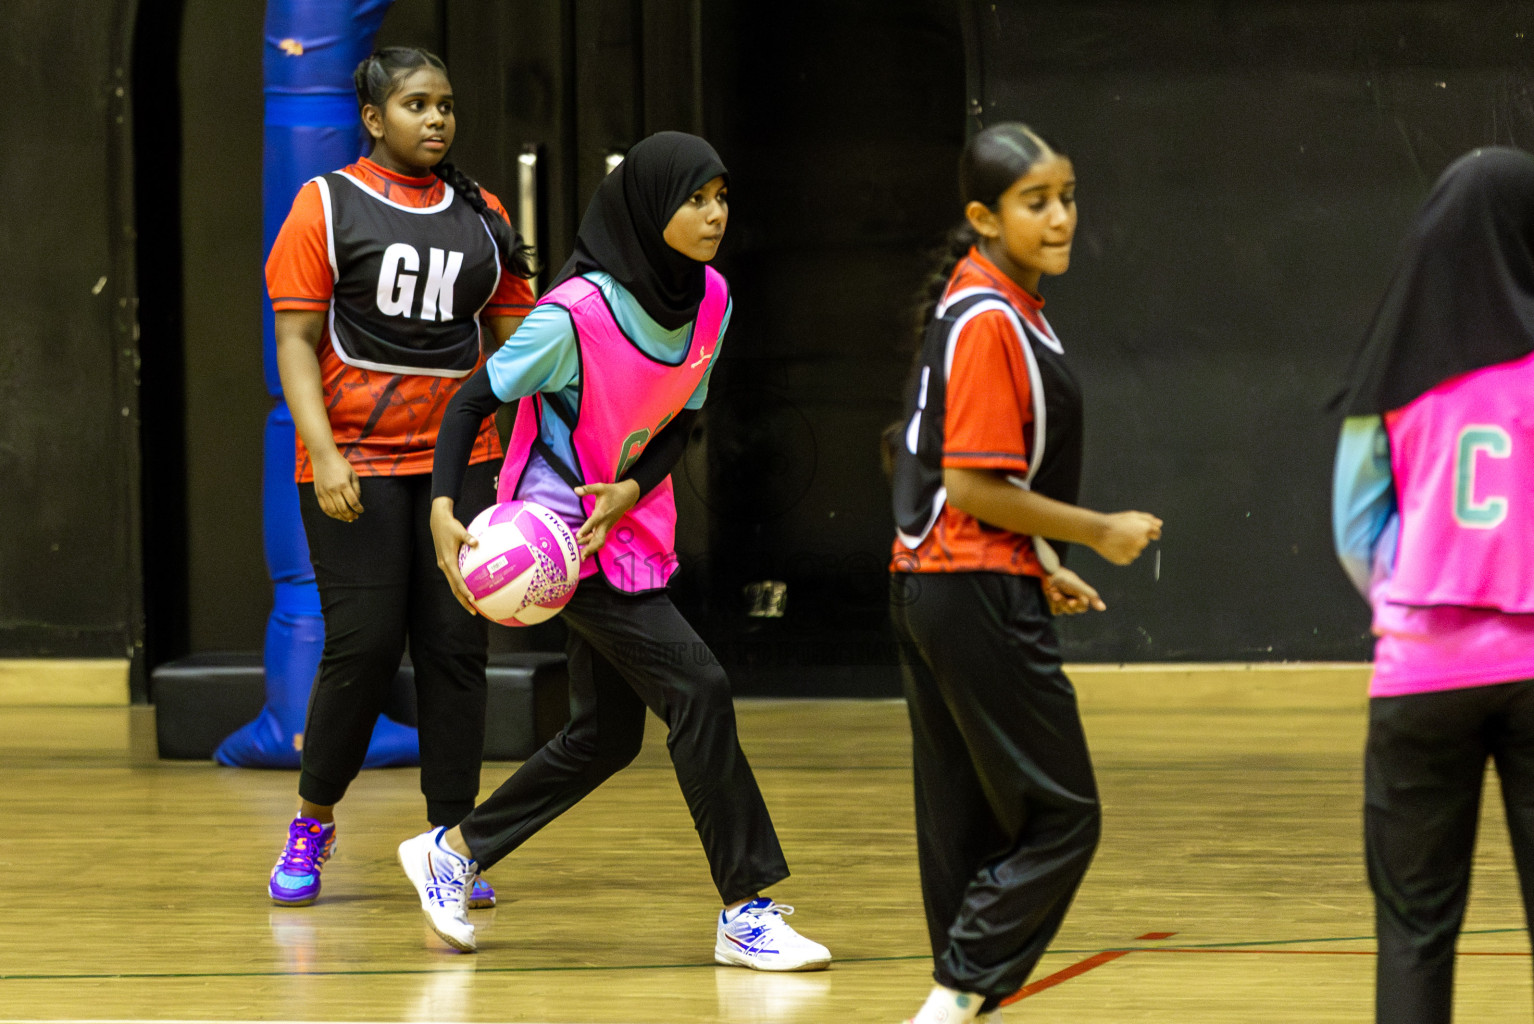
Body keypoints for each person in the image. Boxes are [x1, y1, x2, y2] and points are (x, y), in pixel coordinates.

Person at [400, 130, 831, 970]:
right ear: (647, 208)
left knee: (604, 736)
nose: (715, 215)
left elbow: (680, 421)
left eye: (721, 197)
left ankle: (453, 852)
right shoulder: (573, 317)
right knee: (700, 687)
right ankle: (746, 910)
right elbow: (470, 402)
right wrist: (445, 509)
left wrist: (632, 488)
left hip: (627, 524)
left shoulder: (711, 299)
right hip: (556, 533)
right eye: (695, 200)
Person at [887, 123, 1162, 1024]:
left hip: (937, 584)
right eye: (1035, 202)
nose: (1060, 218)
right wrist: (1099, 532)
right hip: (969, 589)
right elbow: (972, 483)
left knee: (964, 825)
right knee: (1062, 816)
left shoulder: (985, 300)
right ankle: (954, 995)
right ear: (982, 217)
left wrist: (1040, 561)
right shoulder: (990, 319)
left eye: (1067, 197)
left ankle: (958, 1000)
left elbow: (943, 476)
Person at [262, 46, 536, 909]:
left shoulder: (483, 214)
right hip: (355, 464)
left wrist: (535, 457)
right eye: (417, 104)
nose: (437, 118)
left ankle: (453, 844)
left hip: (462, 463)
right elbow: (295, 342)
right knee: (367, 646)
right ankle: (312, 820)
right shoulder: (326, 203)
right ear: (374, 118)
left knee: (456, 650)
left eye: (445, 104)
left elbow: (522, 344)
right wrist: (323, 452)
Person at [1332, 146, 1534, 1024]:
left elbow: (1353, 532)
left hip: (1419, 676)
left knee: (1414, 933)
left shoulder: (1391, 373)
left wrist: (1412, 604)